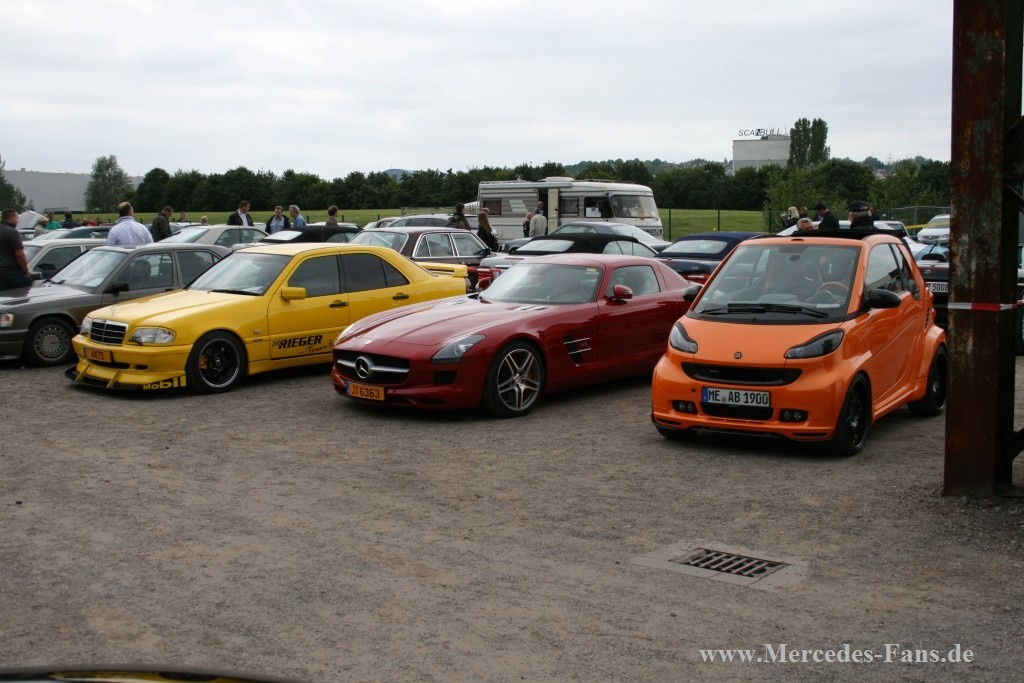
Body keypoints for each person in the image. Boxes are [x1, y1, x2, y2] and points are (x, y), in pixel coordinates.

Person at [0, 208, 32, 290]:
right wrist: (26, 273)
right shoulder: (12, 232)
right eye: (17, 218)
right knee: (21, 296)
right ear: (11, 218)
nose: (18, 221)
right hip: (11, 275)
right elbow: (20, 255)